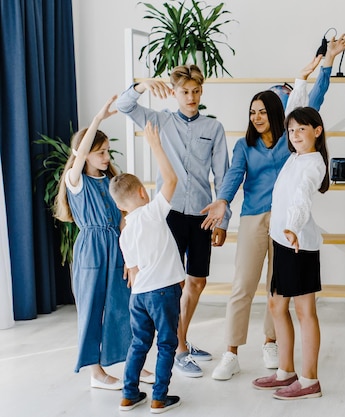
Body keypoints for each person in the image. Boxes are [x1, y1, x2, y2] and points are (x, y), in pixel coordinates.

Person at [202, 34, 345, 381]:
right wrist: (223, 201)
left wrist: (325, 64)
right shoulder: (244, 145)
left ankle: (272, 343)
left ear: (275, 113)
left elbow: (314, 99)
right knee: (243, 284)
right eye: (251, 112)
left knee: (277, 288)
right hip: (255, 217)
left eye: (261, 111)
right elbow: (232, 177)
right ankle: (231, 351)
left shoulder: (293, 140)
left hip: (287, 221)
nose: (255, 117)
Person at [117, 64, 230, 378]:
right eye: (184, 92)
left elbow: (223, 177)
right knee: (173, 283)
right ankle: (179, 349)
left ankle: (181, 340)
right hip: (169, 215)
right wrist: (142, 85)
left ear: (201, 91)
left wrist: (223, 219)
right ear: (175, 92)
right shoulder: (160, 120)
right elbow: (123, 105)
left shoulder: (214, 128)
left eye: (195, 91)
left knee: (197, 281)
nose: (191, 97)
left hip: (204, 215)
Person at [54, 95, 154, 389]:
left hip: (116, 248)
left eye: (107, 151)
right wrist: (97, 119)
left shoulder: (113, 183)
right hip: (91, 253)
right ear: (85, 154)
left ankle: (132, 363)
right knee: (92, 310)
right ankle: (96, 373)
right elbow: (79, 152)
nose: (106, 157)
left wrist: (130, 256)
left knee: (122, 307)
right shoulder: (76, 181)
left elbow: (125, 222)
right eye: (100, 152)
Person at [252, 106, 329, 400]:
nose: (295, 135)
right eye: (291, 130)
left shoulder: (313, 164)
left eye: (302, 129)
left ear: (317, 131)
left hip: (298, 245)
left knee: (304, 311)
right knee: (276, 307)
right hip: (281, 242)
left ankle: (309, 380)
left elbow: (301, 198)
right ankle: (286, 371)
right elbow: (295, 106)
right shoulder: (295, 157)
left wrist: (293, 227)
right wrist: (300, 79)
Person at [111, 121, 184, 414]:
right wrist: (155, 145)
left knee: (139, 344)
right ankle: (158, 398)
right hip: (163, 292)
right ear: (142, 192)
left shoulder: (125, 230)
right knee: (167, 344)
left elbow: (133, 271)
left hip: (138, 297)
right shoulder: (152, 212)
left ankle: (129, 394)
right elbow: (171, 180)